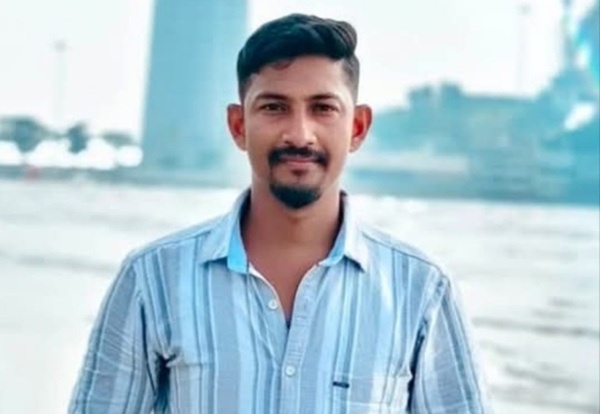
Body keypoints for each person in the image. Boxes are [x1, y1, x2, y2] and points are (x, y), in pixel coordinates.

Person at [69, 13, 491, 413]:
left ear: (357, 127)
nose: (300, 134)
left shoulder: (420, 290)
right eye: (274, 107)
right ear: (239, 126)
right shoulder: (154, 279)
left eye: (323, 108)